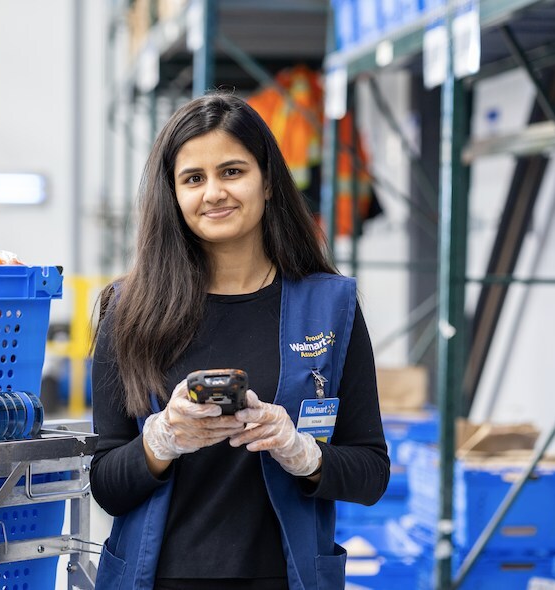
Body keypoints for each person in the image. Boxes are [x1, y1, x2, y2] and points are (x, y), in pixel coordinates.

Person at [89, 92, 390, 590]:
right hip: (158, 579)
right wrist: (163, 439)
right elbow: (106, 484)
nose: (214, 193)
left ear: (267, 181)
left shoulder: (329, 307)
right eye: (193, 178)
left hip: (285, 578)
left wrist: (302, 452)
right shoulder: (129, 312)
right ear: (174, 194)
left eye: (232, 172)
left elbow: (371, 472)